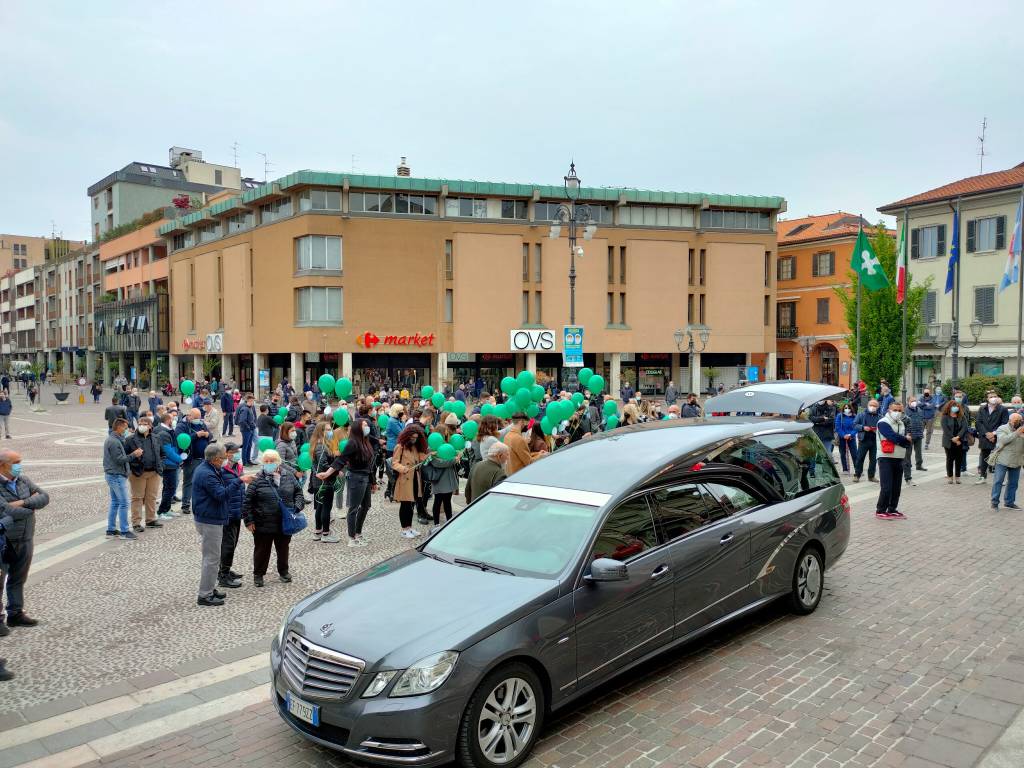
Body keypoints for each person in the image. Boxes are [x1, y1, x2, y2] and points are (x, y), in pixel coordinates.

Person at [0, 448, 49, 631]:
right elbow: (5, 511)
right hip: (4, 541)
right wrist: (32, 505)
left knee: (18, 578)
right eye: (16, 462)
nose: (19, 466)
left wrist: (23, 503)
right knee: (0, 580)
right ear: (3, 465)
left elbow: (44, 497)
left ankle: (15, 613)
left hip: (26, 537)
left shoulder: (23, 480)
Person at [243, 449, 304, 587]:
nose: (269, 463)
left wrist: (297, 507)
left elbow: (298, 492)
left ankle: (284, 571)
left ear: (278, 462)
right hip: (262, 522)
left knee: (283, 548)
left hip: (284, 521)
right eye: (266, 461)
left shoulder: (288, 475)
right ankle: (258, 574)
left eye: (272, 461)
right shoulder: (257, 479)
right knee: (262, 550)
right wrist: (249, 520)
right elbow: (247, 502)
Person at [316, 418, 376, 546]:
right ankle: (352, 538)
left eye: (367, 425)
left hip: (365, 478)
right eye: (364, 425)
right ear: (357, 428)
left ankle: (359, 534)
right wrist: (327, 473)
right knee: (353, 508)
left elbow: (369, 465)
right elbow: (340, 460)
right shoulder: (352, 443)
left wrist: (373, 481)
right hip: (356, 478)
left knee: (366, 506)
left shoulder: (366, 442)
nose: (367, 427)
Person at [192, 444, 231, 606]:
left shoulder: (208, 469)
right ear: (215, 459)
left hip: (208, 517)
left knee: (210, 557)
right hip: (209, 520)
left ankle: (209, 587)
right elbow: (221, 494)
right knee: (212, 558)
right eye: (223, 458)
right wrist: (238, 482)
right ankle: (205, 594)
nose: (225, 461)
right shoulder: (207, 474)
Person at [124, 416, 162, 532]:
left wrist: (161, 465)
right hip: (138, 473)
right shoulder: (130, 439)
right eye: (140, 423)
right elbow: (125, 457)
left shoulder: (155, 438)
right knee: (137, 498)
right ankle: (136, 522)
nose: (142, 425)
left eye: (145, 423)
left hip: (153, 472)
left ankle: (150, 520)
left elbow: (162, 453)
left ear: (150, 426)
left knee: (151, 497)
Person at [875, 401, 912, 520]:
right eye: (895, 410)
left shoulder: (901, 423)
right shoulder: (883, 422)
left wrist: (904, 439)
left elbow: (901, 438)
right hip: (885, 457)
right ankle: (880, 509)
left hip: (899, 456)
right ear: (889, 410)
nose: (897, 413)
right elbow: (891, 436)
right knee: (887, 486)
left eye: (900, 410)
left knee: (896, 486)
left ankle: (892, 509)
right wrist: (905, 439)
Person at [217, 441, 246, 589]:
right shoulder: (222, 470)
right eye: (233, 451)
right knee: (227, 544)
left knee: (233, 543)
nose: (237, 454)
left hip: (237, 510)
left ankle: (225, 569)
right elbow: (222, 491)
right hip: (227, 512)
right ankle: (223, 575)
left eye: (237, 451)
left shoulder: (239, 467)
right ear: (226, 454)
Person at [104, 418, 138, 539]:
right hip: (116, 475)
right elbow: (119, 459)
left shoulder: (115, 439)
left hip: (114, 474)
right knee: (124, 502)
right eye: (125, 427)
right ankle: (124, 531)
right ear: (118, 427)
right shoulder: (113, 441)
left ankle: (111, 529)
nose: (126, 430)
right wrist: (134, 455)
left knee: (115, 502)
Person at [391, 425, 428, 538]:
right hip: (405, 479)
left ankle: (410, 527)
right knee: (405, 505)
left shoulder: (416, 447)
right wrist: (403, 469)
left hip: (415, 479)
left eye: (416, 437)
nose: (414, 439)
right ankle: (404, 529)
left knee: (412, 504)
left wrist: (428, 454)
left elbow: (421, 459)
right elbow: (394, 463)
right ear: (407, 436)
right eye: (412, 437)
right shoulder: (400, 447)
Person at [307, 422, 340, 543]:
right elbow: (324, 465)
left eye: (330, 429)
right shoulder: (321, 446)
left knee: (320, 506)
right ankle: (325, 533)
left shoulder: (320, 444)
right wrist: (336, 470)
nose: (330, 431)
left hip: (319, 481)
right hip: (324, 481)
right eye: (327, 429)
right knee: (326, 507)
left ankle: (318, 531)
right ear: (321, 432)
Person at [175, 408, 211, 515]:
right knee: (189, 482)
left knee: (203, 482)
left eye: (199, 418)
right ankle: (185, 504)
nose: (198, 420)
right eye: (195, 418)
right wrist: (196, 435)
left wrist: (207, 435)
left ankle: (201, 503)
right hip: (191, 459)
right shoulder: (181, 426)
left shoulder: (201, 424)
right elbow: (180, 440)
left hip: (203, 458)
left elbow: (210, 436)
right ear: (189, 416)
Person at [990, 412, 1024, 510]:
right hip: (1002, 459)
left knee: (1013, 483)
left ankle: (1009, 502)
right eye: (1016, 420)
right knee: (998, 481)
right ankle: (994, 502)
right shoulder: (1002, 428)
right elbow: (1003, 440)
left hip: (1016, 460)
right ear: (1010, 421)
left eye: (1020, 420)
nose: (1019, 422)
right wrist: (1017, 433)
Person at [155, 411, 184, 520]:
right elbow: (168, 451)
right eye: (172, 419)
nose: (173, 420)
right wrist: (180, 459)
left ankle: (166, 509)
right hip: (169, 464)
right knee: (170, 488)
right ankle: (162, 511)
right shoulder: (163, 432)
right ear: (168, 420)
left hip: (169, 463)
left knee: (168, 488)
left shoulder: (163, 430)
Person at [975, 393, 1009, 484]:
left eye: (995, 397)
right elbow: (978, 422)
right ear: (987, 398)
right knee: (984, 456)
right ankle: (982, 476)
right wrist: (987, 434)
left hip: (998, 437)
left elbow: (1004, 423)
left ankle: (1000, 479)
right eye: (991, 397)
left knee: (999, 457)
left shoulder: (1003, 409)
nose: (993, 398)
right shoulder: (982, 409)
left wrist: (994, 434)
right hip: (985, 437)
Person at [941, 400, 969, 484]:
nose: (955, 407)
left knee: (959, 459)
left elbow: (964, 427)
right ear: (949, 407)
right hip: (948, 441)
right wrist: (953, 438)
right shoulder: (945, 417)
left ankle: (957, 477)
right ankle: (950, 477)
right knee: (950, 459)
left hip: (959, 441)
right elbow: (945, 429)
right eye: (954, 406)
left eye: (957, 406)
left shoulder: (961, 416)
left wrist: (958, 437)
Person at [853, 399, 881, 483]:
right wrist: (863, 427)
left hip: (875, 440)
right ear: (868, 406)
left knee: (873, 460)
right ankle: (857, 475)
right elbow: (854, 425)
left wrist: (877, 430)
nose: (873, 407)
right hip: (864, 439)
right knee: (860, 458)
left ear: (877, 407)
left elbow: (882, 427)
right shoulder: (861, 415)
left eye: (875, 406)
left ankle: (871, 476)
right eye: (871, 405)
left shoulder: (880, 416)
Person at [834, 404, 857, 475]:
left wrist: (851, 434)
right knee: (843, 454)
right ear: (843, 409)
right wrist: (843, 435)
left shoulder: (854, 416)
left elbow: (856, 427)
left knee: (855, 454)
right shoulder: (839, 416)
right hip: (842, 438)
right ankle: (845, 469)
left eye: (848, 408)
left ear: (851, 408)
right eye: (845, 408)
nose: (847, 409)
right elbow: (837, 427)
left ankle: (857, 469)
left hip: (851, 438)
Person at [905, 397, 927, 472]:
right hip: (910, 435)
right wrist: (907, 433)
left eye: (915, 401)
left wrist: (922, 430)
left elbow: (922, 421)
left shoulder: (920, 410)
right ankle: (908, 466)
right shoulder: (905, 411)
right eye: (912, 401)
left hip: (919, 433)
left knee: (919, 451)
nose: (914, 402)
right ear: (908, 402)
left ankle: (919, 465)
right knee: (908, 452)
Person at [236, 393, 257, 466]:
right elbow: (242, 420)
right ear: (249, 400)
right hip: (246, 430)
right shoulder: (245, 409)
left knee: (249, 445)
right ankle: (244, 462)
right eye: (252, 401)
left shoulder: (249, 407)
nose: (253, 402)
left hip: (250, 429)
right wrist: (248, 428)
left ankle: (248, 460)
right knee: (245, 446)